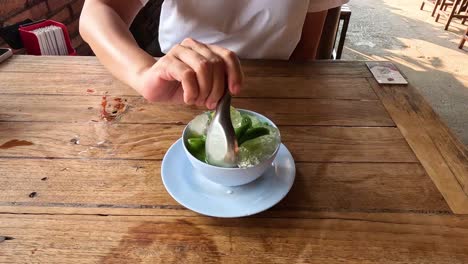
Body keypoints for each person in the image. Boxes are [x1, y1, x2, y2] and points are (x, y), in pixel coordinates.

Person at [80, 0, 348, 109]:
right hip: (178, 88)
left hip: (275, 91)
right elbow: (100, 9)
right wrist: (142, 72)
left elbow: (308, 44)